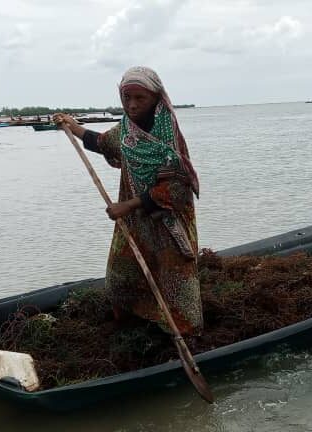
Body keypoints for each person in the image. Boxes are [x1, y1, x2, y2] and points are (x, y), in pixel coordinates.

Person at [53, 66, 203, 335]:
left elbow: (179, 187)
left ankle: (185, 335)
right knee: (122, 275)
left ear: (156, 98)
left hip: (167, 221)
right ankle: (135, 322)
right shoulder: (125, 130)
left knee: (175, 281)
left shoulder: (167, 136)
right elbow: (101, 142)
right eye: (126, 98)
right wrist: (72, 126)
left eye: (139, 98)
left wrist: (129, 205)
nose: (132, 105)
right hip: (136, 222)